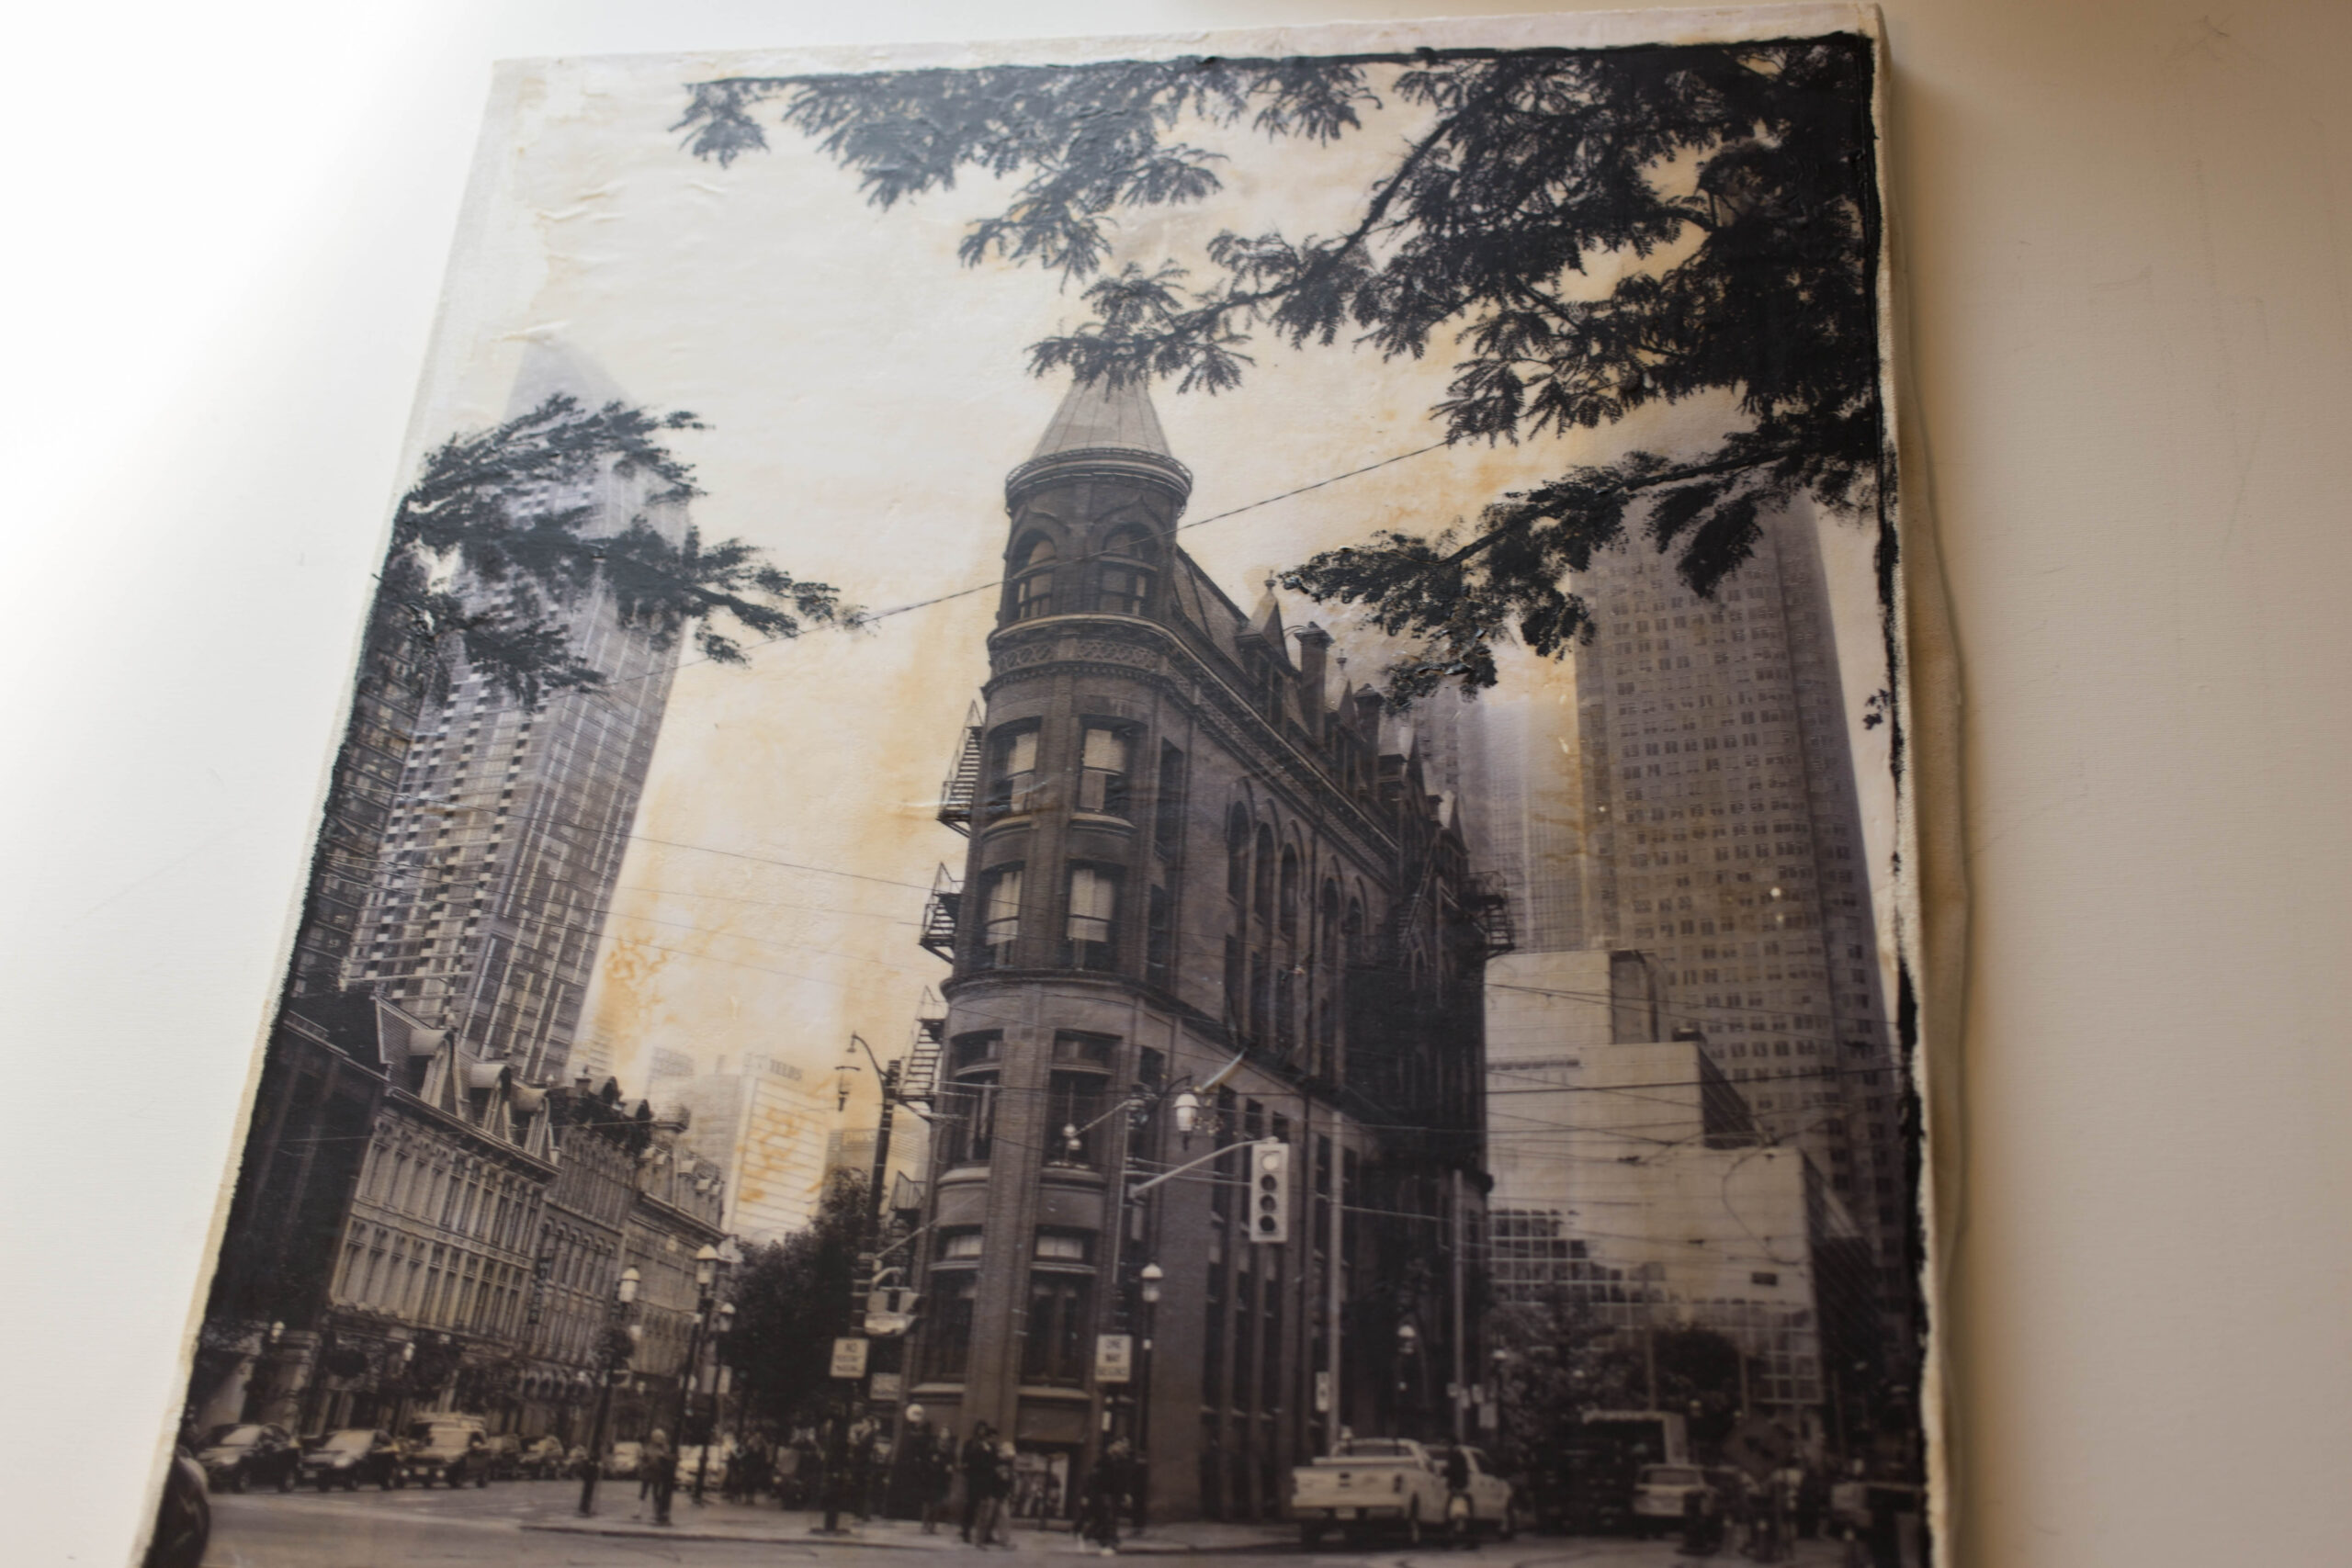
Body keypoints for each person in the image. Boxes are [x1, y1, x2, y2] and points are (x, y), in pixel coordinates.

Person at [1084, 1440, 1132, 1555]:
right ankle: (1108, 1543)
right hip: (1103, 1493)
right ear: (1112, 1446)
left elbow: (1124, 1480)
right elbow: (1093, 1479)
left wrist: (1126, 1494)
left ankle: (1091, 1535)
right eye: (1119, 1445)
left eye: (1124, 1447)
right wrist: (1087, 1494)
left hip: (1115, 1494)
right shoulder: (1103, 1461)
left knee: (1109, 1518)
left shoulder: (1122, 1462)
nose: (1122, 1448)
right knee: (1108, 1517)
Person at [960, 1424, 998, 1543]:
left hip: (985, 1481)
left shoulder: (990, 1446)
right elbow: (965, 1460)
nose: (981, 1432)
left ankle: (983, 1535)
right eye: (980, 1430)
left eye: (984, 1430)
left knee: (984, 1508)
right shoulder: (970, 1444)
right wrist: (968, 1474)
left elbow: (994, 1461)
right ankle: (966, 1532)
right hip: (973, 1480)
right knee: (971, 1506)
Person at [643, 1428, 675, 1525]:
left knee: (657, 1493)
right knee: (647, 1491)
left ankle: (657, 1512)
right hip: (650, 1472)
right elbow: (645, 1457)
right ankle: (654, 1512)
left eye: (660, 1437)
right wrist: (645, 1465)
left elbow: (670, 1458)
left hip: (660, 1473)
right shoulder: (649, 1447)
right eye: (656, 1437)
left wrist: (664, 1456)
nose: (658, 1439)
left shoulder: (665, 1448)